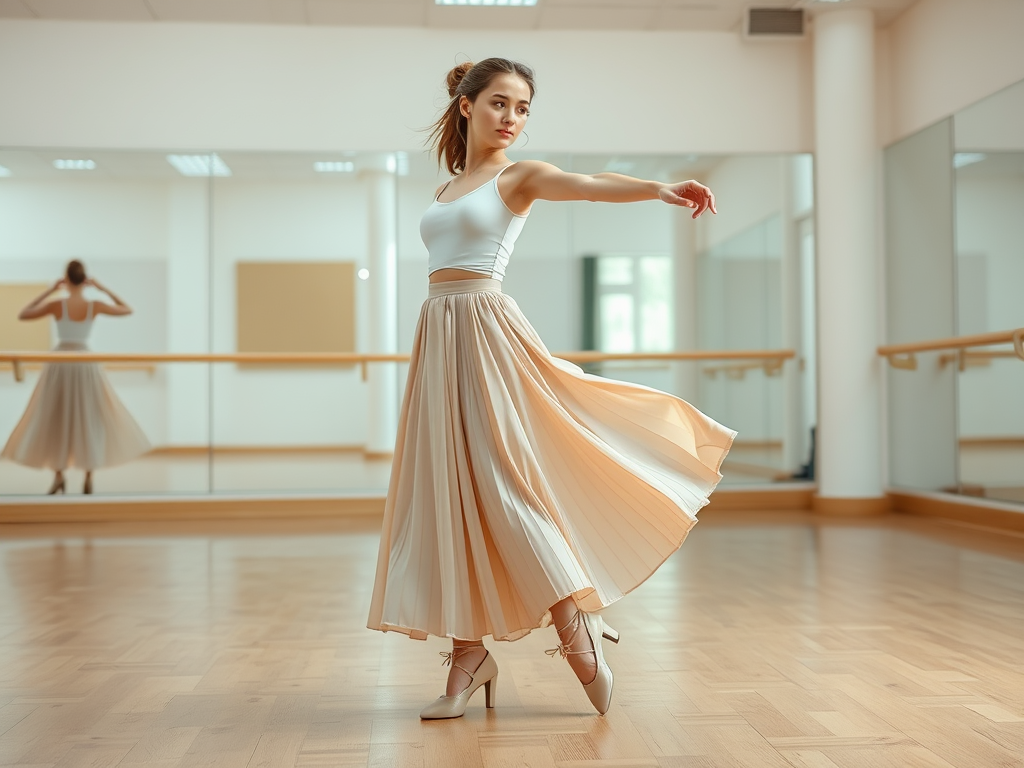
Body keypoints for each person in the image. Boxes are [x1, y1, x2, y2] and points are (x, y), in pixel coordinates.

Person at [367, 58, 736, 720]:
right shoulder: (450, 187)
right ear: (466, 107)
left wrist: (658, 188)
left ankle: (573, 627)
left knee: (505, 486)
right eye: (500, 104)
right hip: (439, 338)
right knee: (449, 493)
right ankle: (467, 657)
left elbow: (588, 184)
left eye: (524, 108)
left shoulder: (520, 176)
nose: (512, 119)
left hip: (485, 331)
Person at [2, 260, 151, 494]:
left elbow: (24, 314)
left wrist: (51, 290)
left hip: (60, 361)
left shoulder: (57, 304)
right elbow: (127, 309)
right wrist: (102, 288)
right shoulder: (95, 305)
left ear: (66, 279)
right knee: (88, 416)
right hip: (84, 363)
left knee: (54, 416)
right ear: (85, 280)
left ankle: (59, 475)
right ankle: (88, 475)